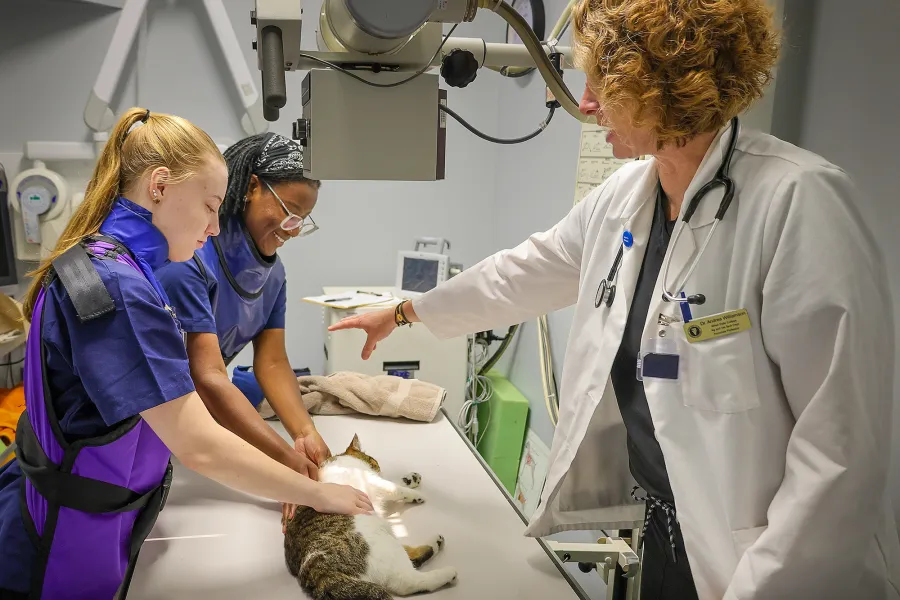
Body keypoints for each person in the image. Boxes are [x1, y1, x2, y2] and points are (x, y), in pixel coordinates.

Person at [328, 1, 900, 599]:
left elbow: (839, 455)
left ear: (665, 85)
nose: (588, 102)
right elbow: (523, 271)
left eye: (604, 82)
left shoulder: (799, 202)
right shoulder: (627, 196)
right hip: (665, 533)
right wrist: (403, 312)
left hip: (766, 565)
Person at [0, 108, 371, 600]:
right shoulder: (119, 287)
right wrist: (313, 492)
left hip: (77, 508)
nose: (216, 227)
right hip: (61, 542)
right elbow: (195, 440)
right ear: (159, 185)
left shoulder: (104, 260)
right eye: (210, 205)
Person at [156, 133, 326, 529]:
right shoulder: (189, 260)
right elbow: (207, 377)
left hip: (207, 425)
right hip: (162, 430)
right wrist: (285, 463)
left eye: (303, 219)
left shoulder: (275, 275)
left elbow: (273, 362)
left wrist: (305, 433)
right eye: (289, 211)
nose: (293, 230)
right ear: (252, 187)